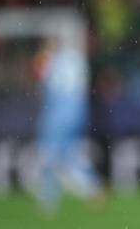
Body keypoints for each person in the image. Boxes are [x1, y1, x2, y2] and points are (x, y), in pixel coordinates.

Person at [33, 39, 105, 214]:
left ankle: (49, 199)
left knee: (50, 154)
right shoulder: (77, 59)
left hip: (56, 114)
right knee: (68, 154)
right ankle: (92, 186)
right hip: (77, 112)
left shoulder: (50, 60)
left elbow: (43, 85)